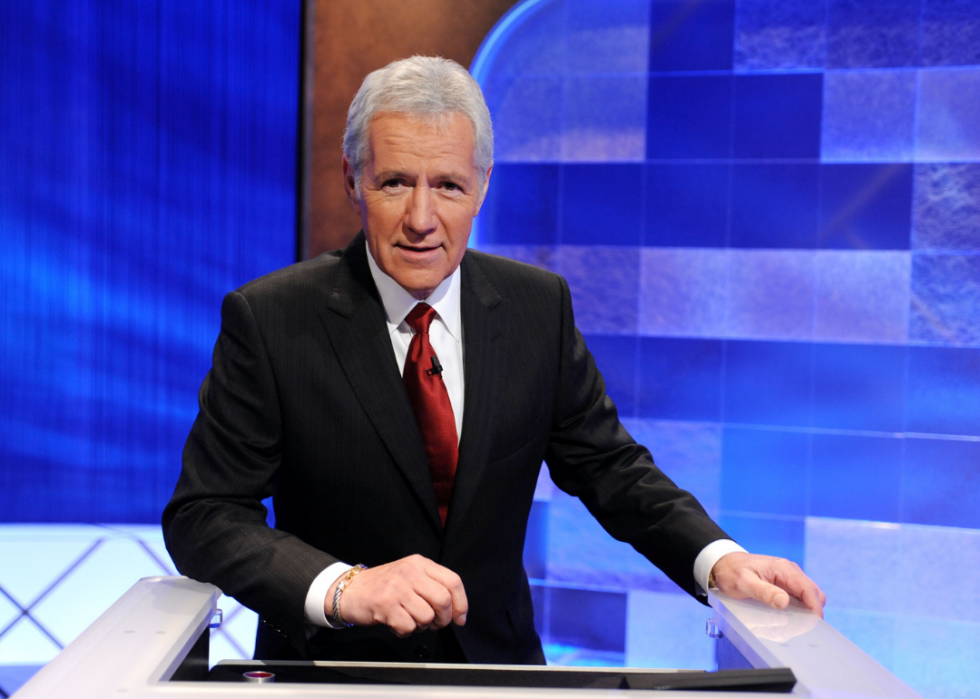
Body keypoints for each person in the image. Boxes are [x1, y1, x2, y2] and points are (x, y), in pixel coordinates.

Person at [163, 56, 824, 665]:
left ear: (482, 186)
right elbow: (205, 515)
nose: (422, 217)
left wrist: (717, 560)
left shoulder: (537, 306)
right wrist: (343, 587)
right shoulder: (273, 319)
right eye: (395, 182)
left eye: (448, 185)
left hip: (499, 670)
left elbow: (610, 467)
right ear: (352, 179)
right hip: (332, 672)